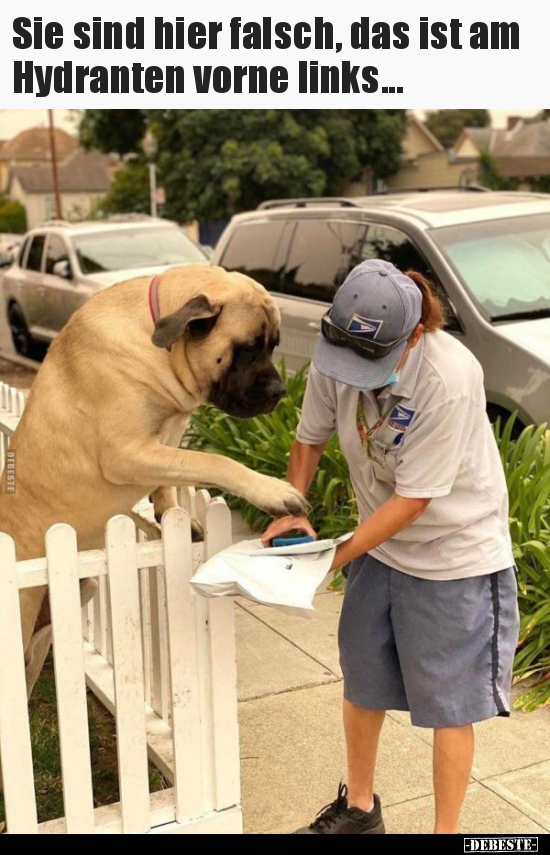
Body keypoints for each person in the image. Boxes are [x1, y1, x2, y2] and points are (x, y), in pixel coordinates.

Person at [262, 259, 519, 835]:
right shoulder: (342, 353)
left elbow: (414, 501)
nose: (351, 374)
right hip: (382, 548)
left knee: (449, 708)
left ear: (414, 335)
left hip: (454, 556)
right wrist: (290, 511)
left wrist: (331, 555)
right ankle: (358, 810)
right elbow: (309, 441)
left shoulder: (450, 376)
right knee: (363, 680)